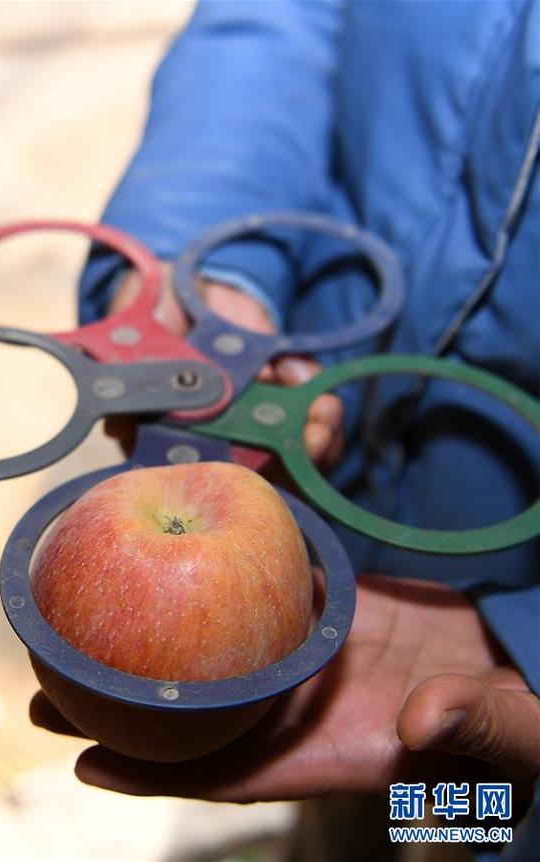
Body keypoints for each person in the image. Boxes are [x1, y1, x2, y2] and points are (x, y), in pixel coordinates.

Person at [31, 1, 540, 857]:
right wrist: (214, 270)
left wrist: (530, 642)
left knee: (475, 813)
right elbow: (279, 16)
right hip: (307, 541)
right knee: (362, 807)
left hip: (494, 636)